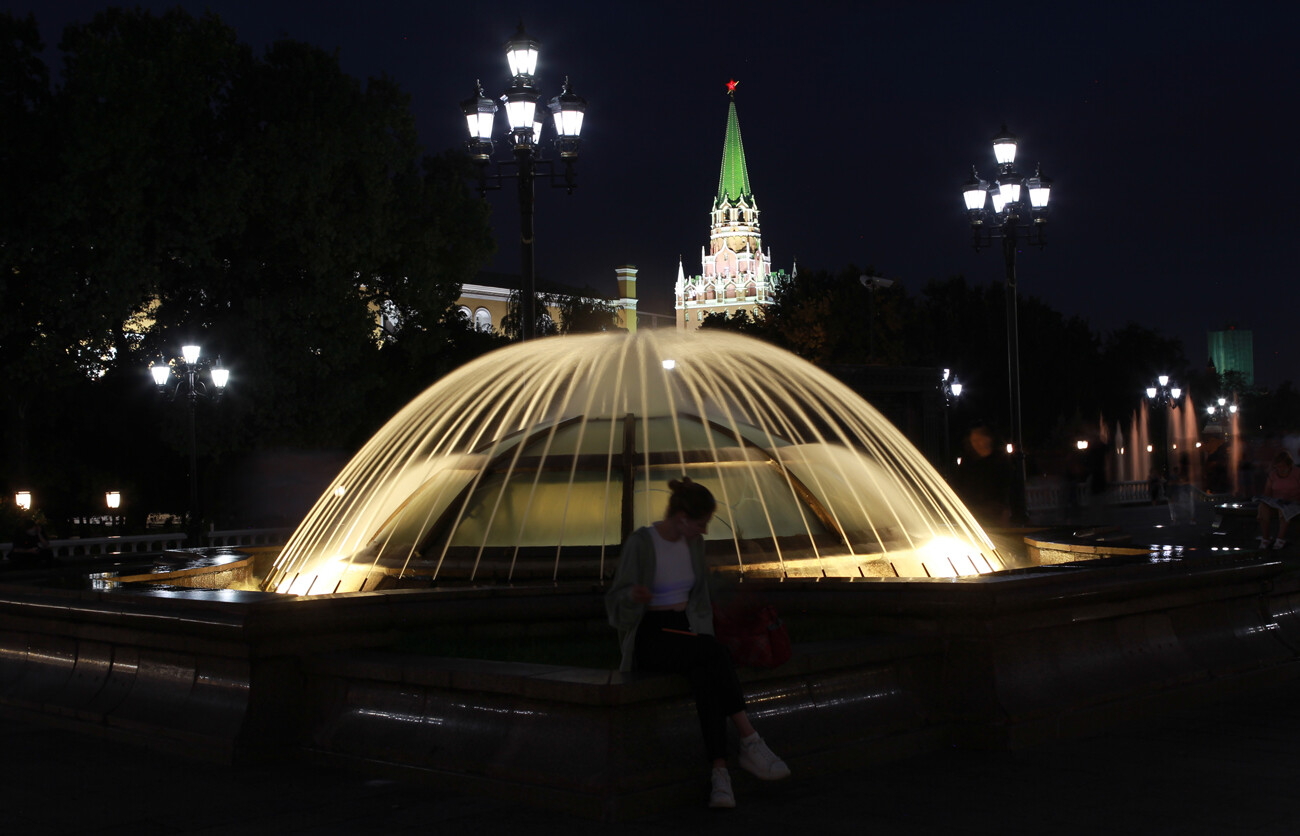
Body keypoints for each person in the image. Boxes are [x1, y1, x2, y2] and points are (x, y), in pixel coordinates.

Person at [605, 477, 789, 809]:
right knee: (714, 654)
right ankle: (749, 740)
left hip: (687, 633)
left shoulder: (692, 545)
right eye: (701, 524)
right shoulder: (642, 543)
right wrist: (633, 596)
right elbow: (616, 605)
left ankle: (720, 777)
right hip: (652, 635)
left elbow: (701, 600)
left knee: (707, 674)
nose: (704, 531)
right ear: (682, 519)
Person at [1256, 451, 1300, 549]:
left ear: (1289, 465)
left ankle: (1280, 539)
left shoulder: (1297, 473)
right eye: (1278, 467)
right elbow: (1267, 493)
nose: (1280, 469)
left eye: (1283, 466)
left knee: (1284, 510)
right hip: (1277, 502)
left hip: (1294, 503)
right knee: (1263, 507)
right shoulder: (1273, 475)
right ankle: (1265, 538)